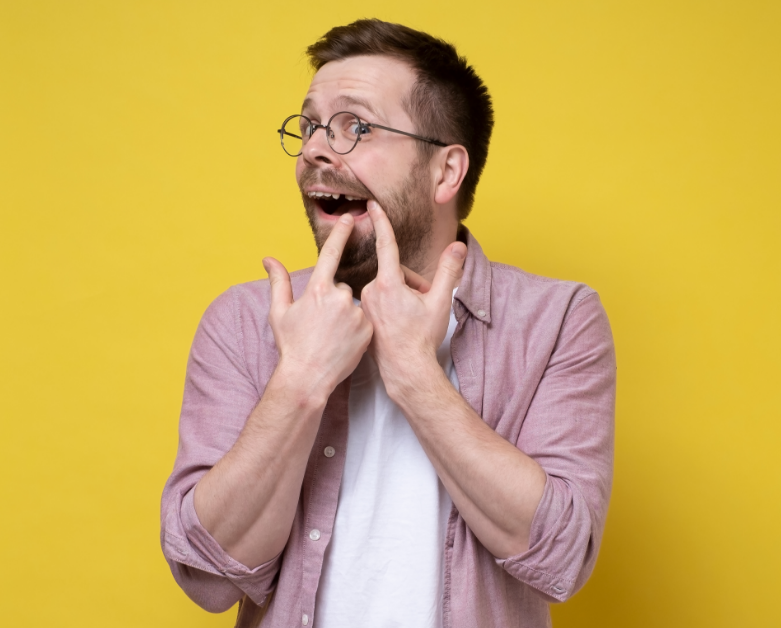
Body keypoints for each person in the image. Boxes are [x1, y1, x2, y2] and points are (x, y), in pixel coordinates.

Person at [160, 18, 616, 628]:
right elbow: (207, 576)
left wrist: (415, 375)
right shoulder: (245, 321)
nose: (318, 149)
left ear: (446, 172)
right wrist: (299, 382)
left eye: (358, 127)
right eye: (312, 125)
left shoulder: (557, 320)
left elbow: (561, 559)